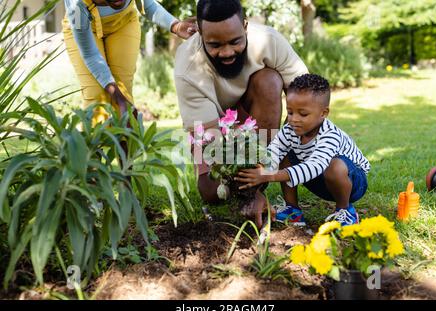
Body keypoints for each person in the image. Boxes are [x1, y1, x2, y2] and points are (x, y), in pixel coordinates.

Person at [174, 0, 308, 227]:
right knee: (213, 192)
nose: (226, 52)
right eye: (214, 44)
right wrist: (248, 193)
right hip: (214, 129)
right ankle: (251, 190)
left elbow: (305, 94)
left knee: (269, 81)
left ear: (245, 26)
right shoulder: (187, 66)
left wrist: (286, 147)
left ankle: (258, 181)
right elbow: (210, 142)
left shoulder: (269, 41)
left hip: (254, 115)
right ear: (199, 32)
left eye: (235, 41)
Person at [235, 74, 370, 226]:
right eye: (290, 112)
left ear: (323, 113)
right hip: (319, 179)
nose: (293, 119)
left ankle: (345, 211)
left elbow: (315, 166)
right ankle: (293, 211)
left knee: (335, 166)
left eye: (303, 114)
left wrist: (269, 176)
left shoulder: (330, 135)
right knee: (283, 152)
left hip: (351, 183)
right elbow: (274, 151)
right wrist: (263, 168)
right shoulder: (290, 130)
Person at [62, 0, 197, 123]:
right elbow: (91, 55)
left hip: (124, 22)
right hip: (84, 30)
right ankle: (94, 149)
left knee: (123, 90)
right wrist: (119, 98)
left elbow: (146, 5)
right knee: (96, 96)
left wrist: (176, 26)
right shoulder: (76, 7)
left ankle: (127, 147)